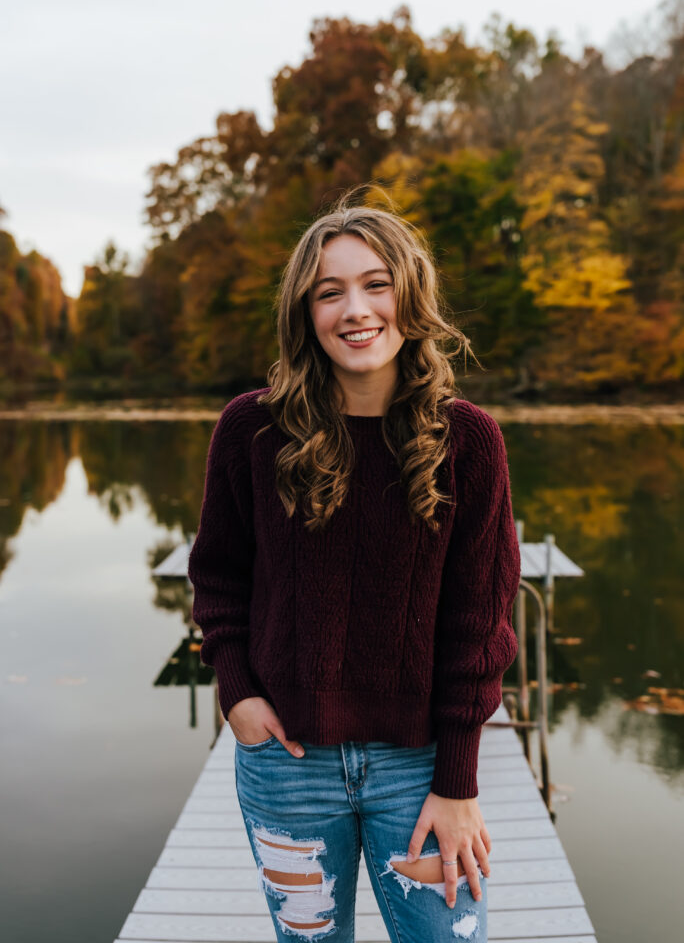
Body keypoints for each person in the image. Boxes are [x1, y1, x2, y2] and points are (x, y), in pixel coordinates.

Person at [187, 190, 521, 943]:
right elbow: (218, 577)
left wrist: (458, 783)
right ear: (305, 314)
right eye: (328, 292)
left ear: (410, 295)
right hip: (288, 767)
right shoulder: (253, 429)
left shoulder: (467, 440)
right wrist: (236, 690)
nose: (355, 308)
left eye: (375, 283)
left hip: (421, 767)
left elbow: (481, 623)